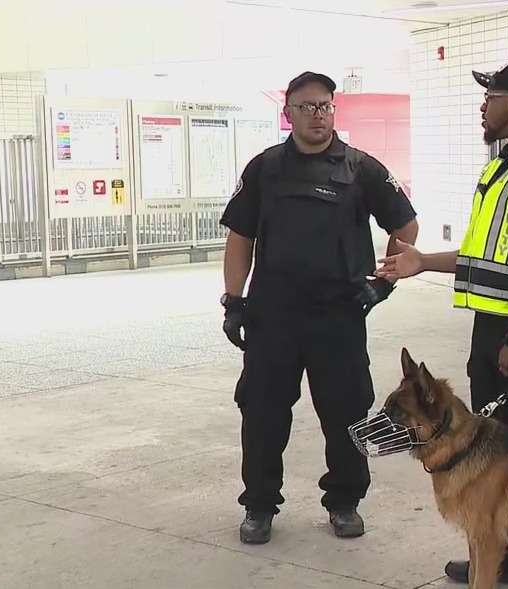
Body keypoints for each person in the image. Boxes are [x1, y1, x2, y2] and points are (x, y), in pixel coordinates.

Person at [375, 60, 508, 589]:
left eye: (490, 97)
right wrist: (424, 261)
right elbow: (484, 256)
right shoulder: (501, 169)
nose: (482, 107)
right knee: (493, 450)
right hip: (492, 328)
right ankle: (507, 558)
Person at [218, 70, 419, 545]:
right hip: (274, 316)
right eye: (307, 106)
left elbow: (406, 226)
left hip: (339, 315)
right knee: (263, 413)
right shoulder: (264, 168)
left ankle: (345, 502)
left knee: (347, 413)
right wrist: (233, 299)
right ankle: (260, 505)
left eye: (326, 106)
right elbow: (240, 237)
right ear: (288, 113)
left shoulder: (361, 169)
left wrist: (383, 282)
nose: (318, 115)